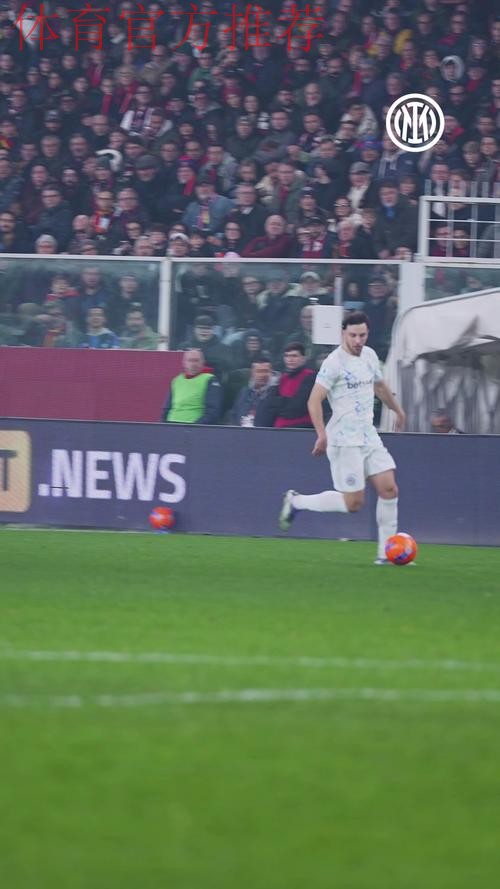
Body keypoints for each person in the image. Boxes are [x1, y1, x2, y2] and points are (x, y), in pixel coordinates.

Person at [279, 311, 406, 565]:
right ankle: (297, 501)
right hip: (344, 440)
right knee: (353, 503)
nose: (358, 340)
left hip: (368, 435)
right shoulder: (333, 363)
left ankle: (386, 554)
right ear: (343, 334)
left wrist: (398, 410)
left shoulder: (370, 356)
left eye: (362, 335)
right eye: (353, 335)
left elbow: (379, 386)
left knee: (389, 489)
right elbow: (314, 400)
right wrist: (321, 434)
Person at [162, 348, 222, 424]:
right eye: (190, 360)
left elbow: (212, 412)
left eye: (196, 360)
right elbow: (166, 409)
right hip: (171, 425)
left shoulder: (210, 380)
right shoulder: (176, 380)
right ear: (184, 363)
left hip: (194, 426)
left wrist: (194, 427)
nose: (193, 364)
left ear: (203, 362)